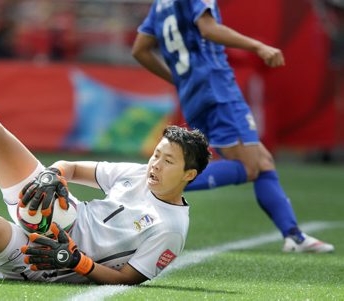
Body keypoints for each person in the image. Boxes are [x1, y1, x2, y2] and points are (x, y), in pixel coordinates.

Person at [0, 9, 211, 284]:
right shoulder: (138, 173)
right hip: (60, 212)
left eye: (168, 161)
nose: (155, 165)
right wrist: (52, 175)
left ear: (189, 174)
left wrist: (76, 262)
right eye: (157, 154)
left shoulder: (172, 228)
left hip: (47, 261)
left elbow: (129, 278)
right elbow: (73, 169)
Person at [132, 0, 334, 253]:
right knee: (251, 167)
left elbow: (140, 49)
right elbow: (207, 28)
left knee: (263, 161)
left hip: (194, 94)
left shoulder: (162, 4)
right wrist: (257, 46)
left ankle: (293, 236)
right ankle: (146, 182)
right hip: (218, 90)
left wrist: (179, 81)